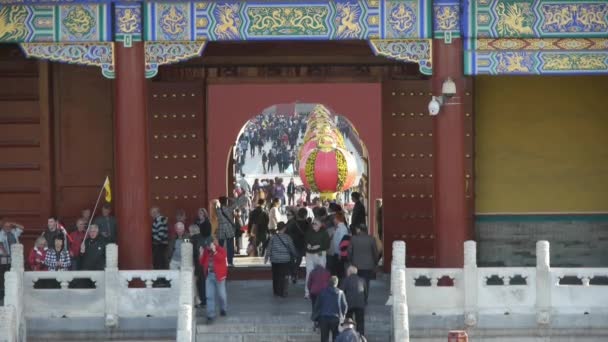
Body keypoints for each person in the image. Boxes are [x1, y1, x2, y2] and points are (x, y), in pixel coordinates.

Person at [265, 222, 297, 297]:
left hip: (275, 260)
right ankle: (283, 291)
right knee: (284, 276)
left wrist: (266, 257)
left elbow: (269, 248)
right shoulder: (287, 237)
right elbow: (292, 248)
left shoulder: (273, 237)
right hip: (285, 260)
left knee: (275, 275)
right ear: (284, 228)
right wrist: (295, 255)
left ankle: (276, 291)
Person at [199, 239, 228, 324]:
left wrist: (215, 252)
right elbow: (202, 262)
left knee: (221, 295)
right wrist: (201, 254)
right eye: (206, 246)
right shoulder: (206, 251)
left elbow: (221, 259)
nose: (207, 247)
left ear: (213, 244)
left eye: (209, 246)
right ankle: (210, 315)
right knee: (209, 296)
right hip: (209, 276)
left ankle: (223, 308)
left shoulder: (221, 250)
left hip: (219, 276)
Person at [348, 225, 378, 304]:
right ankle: (364, 299)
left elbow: (349, 251)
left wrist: (350, 261)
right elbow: (375, 252)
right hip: (368, 266)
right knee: (366, 283)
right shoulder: (371, 239)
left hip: (356, 265)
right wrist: (375, 262)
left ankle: (357, 298)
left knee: (356, 282)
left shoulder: (353, 238)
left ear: (359, 230)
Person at [312, 276, 348, 342]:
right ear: (337, 283)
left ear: (329, 283)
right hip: (336, 319)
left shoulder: (322, 292)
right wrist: (343, 316)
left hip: (323, 318)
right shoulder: (340, 293)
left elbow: (317, 306)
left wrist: (315, 319)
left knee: (324, 338)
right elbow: (344, 306)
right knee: (336, 338)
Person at [304, 218, 330, 299]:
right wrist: (307, 245)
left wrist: (319, 246)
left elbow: (327, 245)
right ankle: (307, 292)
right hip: (309, 254)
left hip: (320, 254)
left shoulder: (324, 233)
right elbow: (305, 242)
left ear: (320, 225)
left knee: (321, 273)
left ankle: (322, 291)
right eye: (313, 223)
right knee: (309, 273)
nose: (314, 225)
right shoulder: (308, 232)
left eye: (316, 224)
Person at [340, 266, 367, 336]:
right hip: (360, 304)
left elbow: (341, 292)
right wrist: (364, 301)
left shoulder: (345, 280)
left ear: (349, 272)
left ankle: (350, 336)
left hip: (349, 303)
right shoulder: (362, 279)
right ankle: (360, 337)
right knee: (360, 322)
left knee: (349, 321)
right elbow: (365, 292)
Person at [286, 208, 308, 283]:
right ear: (305, 215)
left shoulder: (293, 222)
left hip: (293, 243)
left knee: (292, 259)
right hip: (302, 244)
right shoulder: (307, 223)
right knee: (299, 258)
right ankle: (295, 271)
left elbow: (287, 232)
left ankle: (293, 273)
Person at [216, 196, 237, 266]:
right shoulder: (228, 209)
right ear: (225, 201)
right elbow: (236, 203)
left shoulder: (217, 210)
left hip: (221, 227)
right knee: (230, 245)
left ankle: (220, 261)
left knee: (220, 246)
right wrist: (229, 198)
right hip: (228, 227)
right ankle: (230, 261)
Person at [331, 212, 349, 279]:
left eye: (334, 218)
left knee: (340, 272)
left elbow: (342, 242)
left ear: (337, 219)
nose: (333, 220)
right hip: (337, 252)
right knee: (337, 271)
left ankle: (341, 286)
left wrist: (340, 253)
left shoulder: (342, 228)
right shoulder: (338, 227)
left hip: (339, 253)